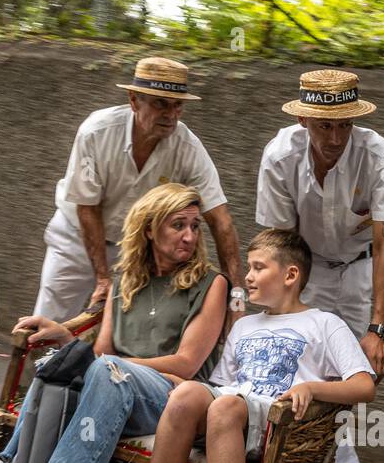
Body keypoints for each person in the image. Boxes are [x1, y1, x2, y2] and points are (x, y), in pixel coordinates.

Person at [126, 229, 376, 463]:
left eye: (258, 267)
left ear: (291, 275)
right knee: (189, 395)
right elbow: (221, 387)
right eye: (248, 267)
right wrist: (185, 386)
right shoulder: (244, 326)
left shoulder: (324, 324)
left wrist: (313, 388)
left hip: (280, 428)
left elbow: (364, 386)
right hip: (231, 418)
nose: (248, 277)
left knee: (225, 406)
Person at [3, 183, 228, 463]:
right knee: (56, 366)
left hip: (172, 399)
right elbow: (100, 351)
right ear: (150, 229)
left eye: (195, 226)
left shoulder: (212, 284)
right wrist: (67, 340)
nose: (190, 236)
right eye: (178, 225)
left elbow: (187, 362)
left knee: (107, 370)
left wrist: (112, 366)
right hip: (111, 387)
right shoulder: (124, 282)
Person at [255, 69, 384, 463]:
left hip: (359, 271)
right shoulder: (279, 156)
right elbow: (280, 245)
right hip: (304, 269)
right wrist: (276, 310)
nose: (336, 137)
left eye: (344, 125)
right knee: (291, 376)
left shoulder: (380, 157)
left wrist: (378, 330)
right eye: (325, 126)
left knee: (340, 388)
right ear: (302, 118)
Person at [32, 57, 246, 323]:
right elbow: (87, 207)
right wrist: (102, 277)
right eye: (160, 103)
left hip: (136, 248)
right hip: (76, 237)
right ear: (134, 100)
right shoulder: (95, 133)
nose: (170, 114)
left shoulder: (188, 147)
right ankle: (36, 363)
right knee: (49, 323)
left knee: (126, 333)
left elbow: (220, 220)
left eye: (177, 105)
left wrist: (236, 295)